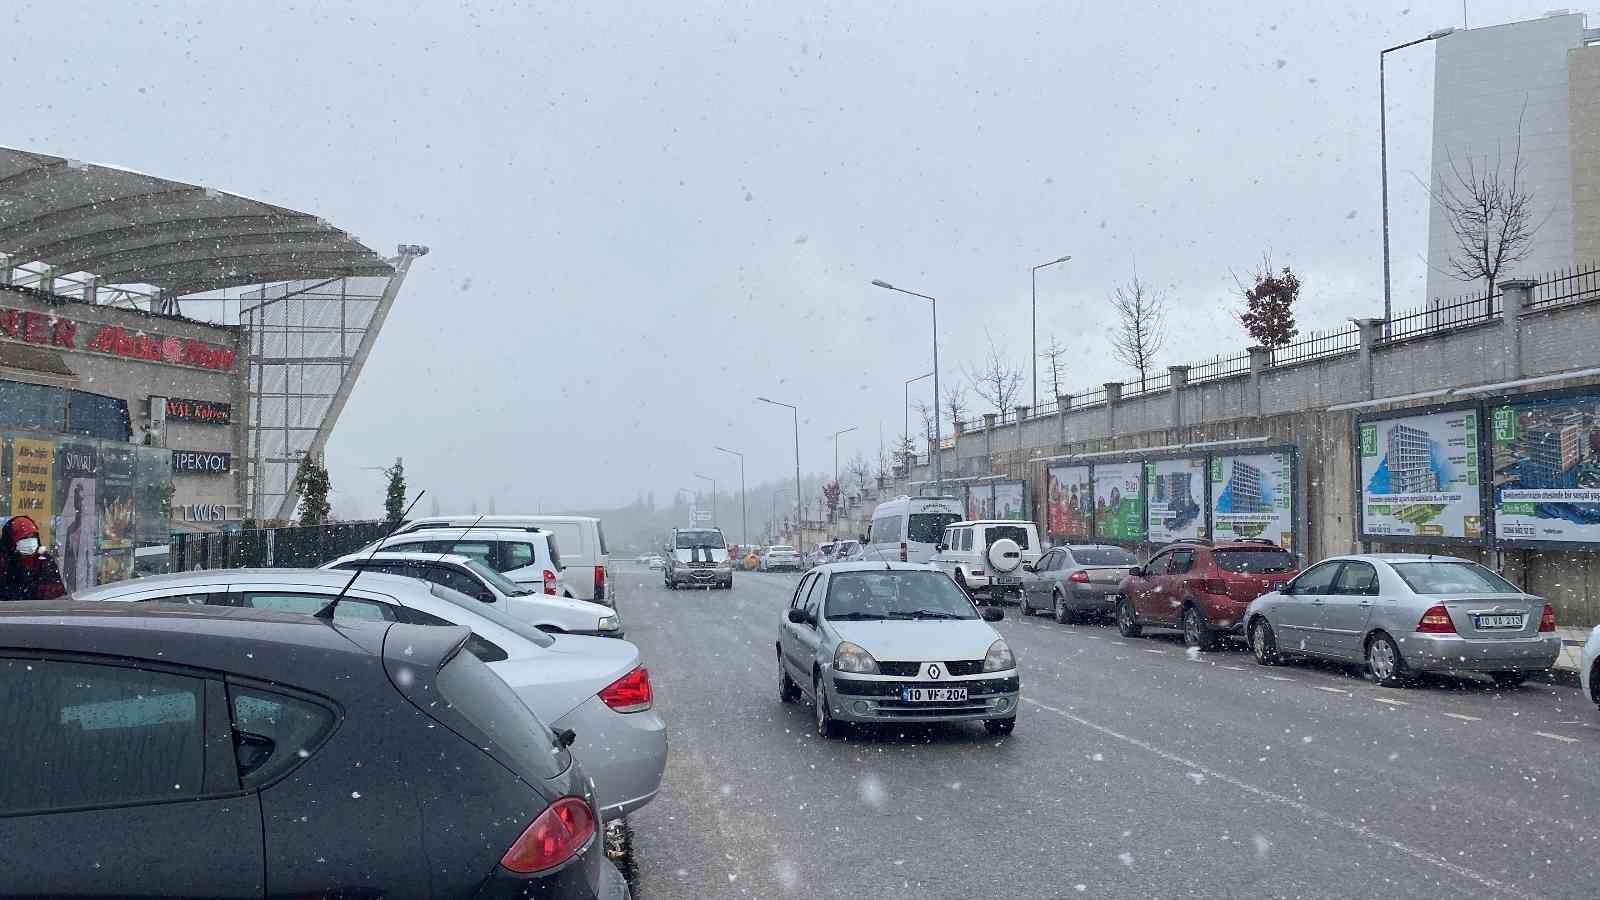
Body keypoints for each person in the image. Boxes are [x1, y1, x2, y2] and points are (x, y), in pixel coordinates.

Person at [0, 516, 66, 602]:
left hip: (41, 613)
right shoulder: (4, 562)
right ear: (12, 541)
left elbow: (57, 598)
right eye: (24, 538)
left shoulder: (45, 561)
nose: (30, 541)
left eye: (33, 536)